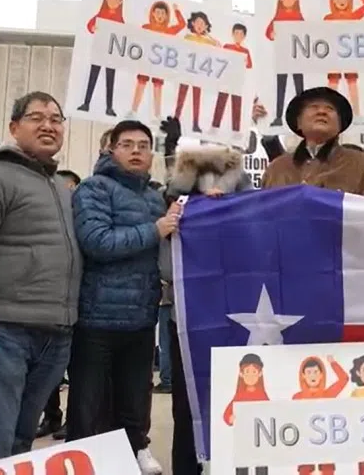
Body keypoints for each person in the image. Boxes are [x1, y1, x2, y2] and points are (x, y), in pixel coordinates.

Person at [0, 91, 82, 466]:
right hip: (4, 334)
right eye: (37, 117)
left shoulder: (60, 187)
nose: (48, 125)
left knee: (21, 446)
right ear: (13, 127)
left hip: (55, 336)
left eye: (56, 119)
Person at [67, 120, 171, 475]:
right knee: (88, 403)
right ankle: (82, 460)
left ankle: (135, 449)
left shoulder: (155, 197)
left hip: (142, 316)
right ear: (110, 149)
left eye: (144, 144)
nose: (137, 150)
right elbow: (97, 241)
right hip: (97, 317)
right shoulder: (94, 189)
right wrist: (154, 230)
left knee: (135, 396)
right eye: (127, 144)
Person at [161, 123, 255, 475]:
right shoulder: (176, 187)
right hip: (188, 308)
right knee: (186, 403)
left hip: (235, 305)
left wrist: (228, 206)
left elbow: (255, 221)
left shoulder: (241, 184)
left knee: (237, 394)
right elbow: (167, 220)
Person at [262, 86, 364, 200]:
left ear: (340, 125)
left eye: (330, 108)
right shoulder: (277, 168)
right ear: (298, 123)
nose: (322, 112)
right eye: (313, 107)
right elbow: (262, 212)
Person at [35, 169, 82, 441]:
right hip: (48, 305)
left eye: (72, 187)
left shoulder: (85, 220)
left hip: (78, 306)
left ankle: (73, 420)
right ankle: (51, 416)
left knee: (76, 370)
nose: (67, 193)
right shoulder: (44, 221)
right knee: (47, 369)